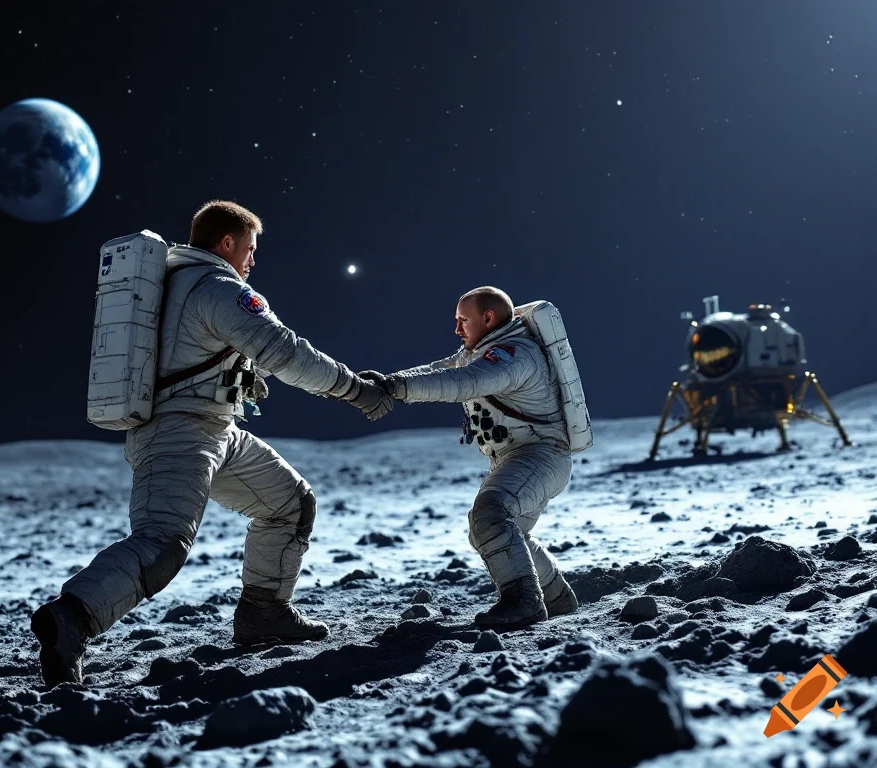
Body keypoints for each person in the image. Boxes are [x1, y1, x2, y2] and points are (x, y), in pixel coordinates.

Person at [31, 200, 394, 686]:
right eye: (250, 247)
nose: (252, 259)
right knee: (162, 542)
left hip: (214, 428)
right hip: (180, 433)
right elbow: (285, 351)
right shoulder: (218, 287)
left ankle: (264, 613)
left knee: (290, 504)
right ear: (227, 243)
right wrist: (354, 388)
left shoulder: (175, 285)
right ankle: (72, 617)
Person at [360, 286, 578, 629]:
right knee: (499, 532)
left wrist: (396, 388)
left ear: (488, 318)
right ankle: (557, 598)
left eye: (463, 320)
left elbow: (463, 381)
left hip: (540, 454)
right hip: (518, 457)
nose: (457, 329)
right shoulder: (483, 352)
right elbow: (441, 368)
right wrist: (389, 383)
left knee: (491, 514)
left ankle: (524, 602)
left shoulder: (515, 355)